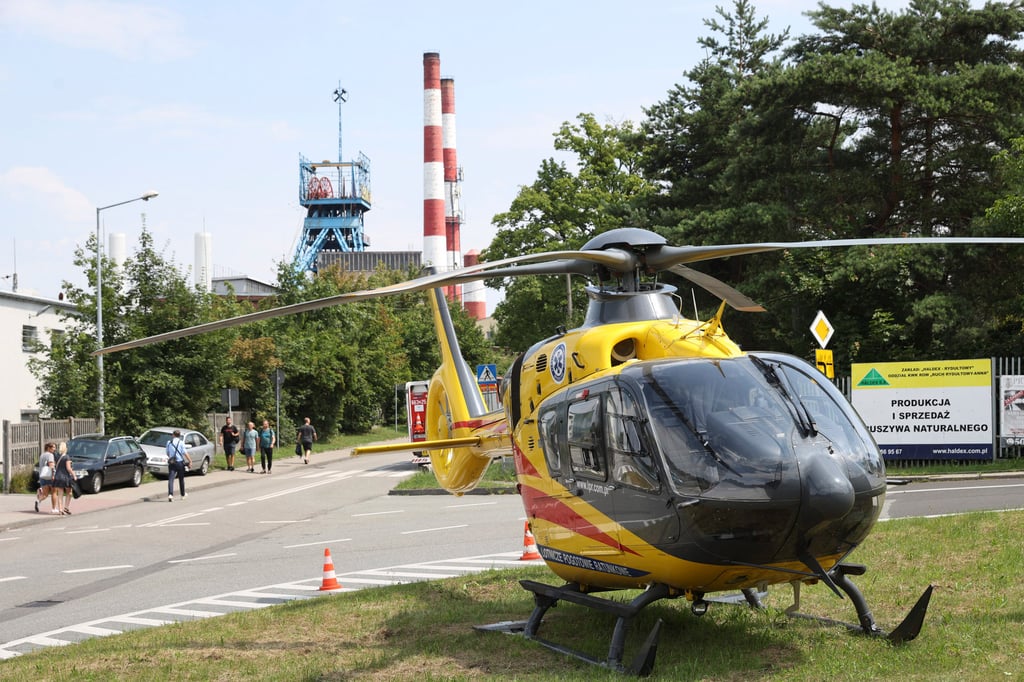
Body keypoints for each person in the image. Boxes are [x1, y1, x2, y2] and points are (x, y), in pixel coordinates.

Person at [166, 429, 192, 501]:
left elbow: (167, 453)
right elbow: (185, 453)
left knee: (171, 478)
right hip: (179, 462)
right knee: (181, 479)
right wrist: (190, 461)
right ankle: (182, 494)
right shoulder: (181, 443)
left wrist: (171, 457)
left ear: (173, 435)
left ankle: (170, 494)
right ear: (179, 436)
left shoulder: (169, 442)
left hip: (172, 462)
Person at [51, 441, 75, 516]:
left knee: (60, 493)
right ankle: (66, 507)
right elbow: (68, 468)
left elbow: (54, 465)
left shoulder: (57, 456)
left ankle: (60, 509)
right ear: (66, 448)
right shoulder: (67, 457)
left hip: (58, 477)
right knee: (69, 492)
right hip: (65, 477)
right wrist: (74, 475)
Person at [34, 442, 58, 514]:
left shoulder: (42, 455)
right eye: (53, 447)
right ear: (48, 448)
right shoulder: (50, 455)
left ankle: (38, 501)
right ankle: (53, 509)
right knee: (54, 492)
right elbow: (51, 465)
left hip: (42, 476)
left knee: (45, 494)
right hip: (50, 476)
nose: (54, 449)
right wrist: (53, 475)